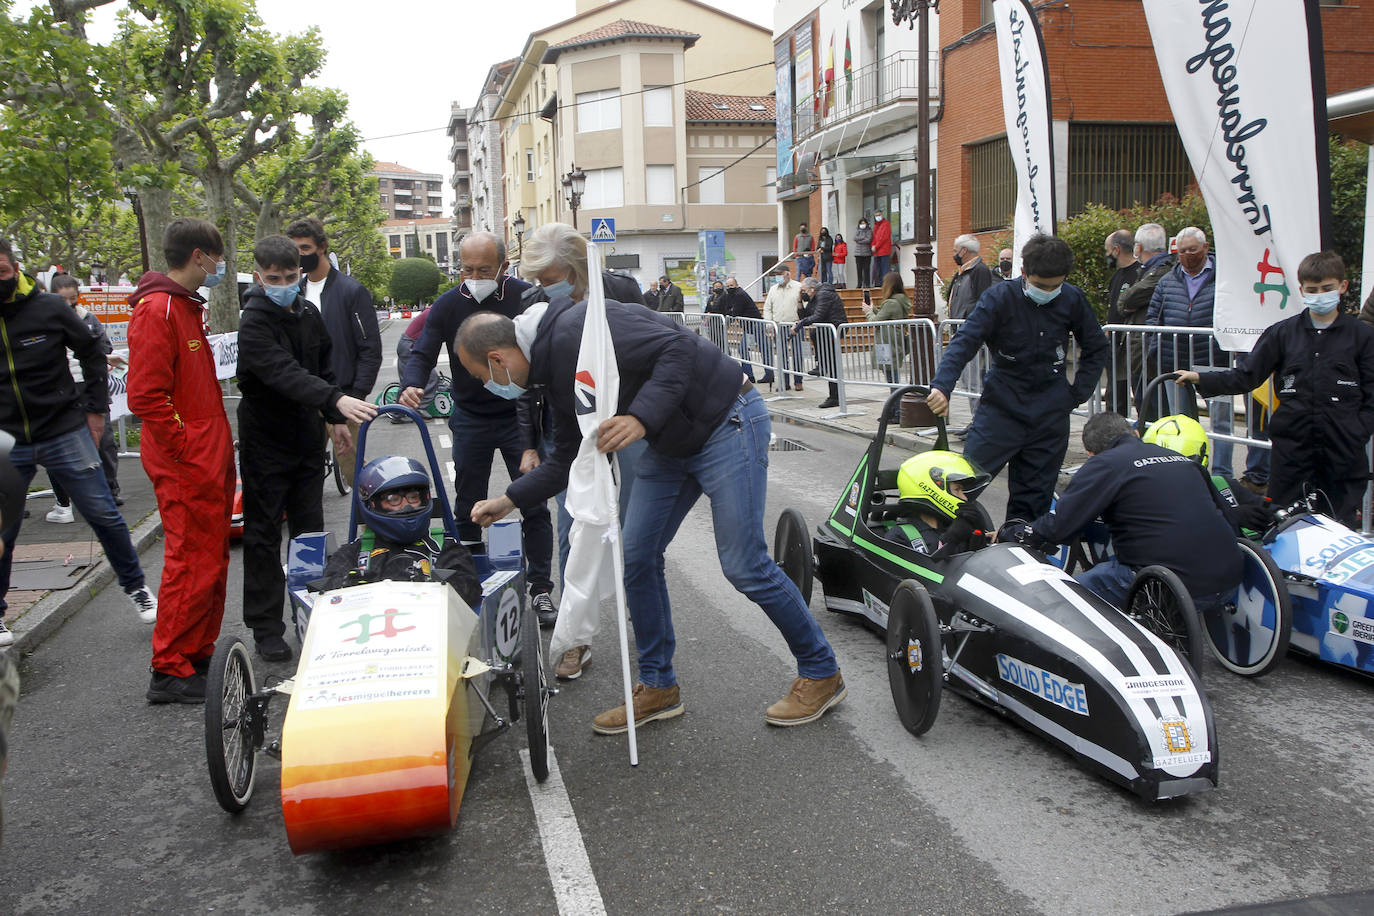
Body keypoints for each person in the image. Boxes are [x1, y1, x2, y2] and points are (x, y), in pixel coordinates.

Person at [464, 222, 844, 734]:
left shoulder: (579, 327)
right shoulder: (549, 368)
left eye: (482, 377)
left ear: (496, 358)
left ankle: (821, 672)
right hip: (672, 440)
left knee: (744, 564)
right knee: (636, 556)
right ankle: (659, 686)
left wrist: (640, 417)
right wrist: (509, 500)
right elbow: (568, 457)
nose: (489, 387)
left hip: (727, 420)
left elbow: (679, 349)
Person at [0, 238, 157, 650]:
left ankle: (137, 587)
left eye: (2, 271)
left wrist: (94, 410)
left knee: (104, 514)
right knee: (4, 527)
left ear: (15, 267)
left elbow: (92, 349)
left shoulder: (49, 307)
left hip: (64, 429)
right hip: (6, 438)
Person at [398, 231, 557, 626]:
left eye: (484, 270)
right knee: (468, 500)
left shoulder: (526, 296)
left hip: (523, 414)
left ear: (503, 267)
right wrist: (412, 382)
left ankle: (539, 588)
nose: (474, 276)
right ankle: (467, 580)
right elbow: (423, 348)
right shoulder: (449, 304)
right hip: (471, 416)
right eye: (466, 269)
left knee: (533, 500)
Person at [237, 235, 376, 662]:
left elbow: (323, 368)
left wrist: (334, 422)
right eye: (274, 278)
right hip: (265, 438)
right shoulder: (254, 321)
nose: (284, 284)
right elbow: (284, 372)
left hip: (304, 436)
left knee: (309, 530)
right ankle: (266, 627)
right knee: (262, 535)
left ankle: (313, 610)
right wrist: (334, 401)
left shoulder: (308, 312)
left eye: (291, 276)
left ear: (301, 273)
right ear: (259, 277)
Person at [1175, 251, 1374, 527]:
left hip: (1342, 453)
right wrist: (1201, 378)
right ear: (1301, 289)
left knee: (1340, 526)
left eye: (1327, 288)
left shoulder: (1362, 336)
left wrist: (1358, 429)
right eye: (1312, 290)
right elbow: (1246, 376)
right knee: (1284, 524)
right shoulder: (1282, 333)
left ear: (1342, 287)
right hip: (1292, 452)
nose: (1320, 295)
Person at [126, 218, 237, 703]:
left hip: (201, 454)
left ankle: (194, 651)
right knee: (190, 561)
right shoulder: (159, 310)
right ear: (199, 257)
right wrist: (186, 446)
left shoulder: (184, 307)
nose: (219, 266)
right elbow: (146, 396)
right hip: (187, 460)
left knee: (209, 560)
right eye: (216, 257)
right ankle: (170, 666)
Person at [925, 234, 1108, 524]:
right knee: (960, 487)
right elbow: (965, 342)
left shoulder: (1072, 299)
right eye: (1039, 285)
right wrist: (942, 386)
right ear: (1023, 273)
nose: (1047, 292)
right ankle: (941, 545)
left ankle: (1022, 548)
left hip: (1049, 414)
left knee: (1034, 500)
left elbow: (1097, 347)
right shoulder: (999, 298)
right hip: (1001, 410)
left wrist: (1075, 394)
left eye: (1054, 286)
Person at [1006, 412, 1242, 611]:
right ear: (1135, 434)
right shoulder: (1180, 459)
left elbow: (1058, 527)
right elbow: (1229, 515)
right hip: (1230, 580)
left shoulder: (1103, 464)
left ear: (1090, 453)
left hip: (1167, 586)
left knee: (1065, 599)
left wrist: (1018, 533)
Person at [316, 456, 482, 607]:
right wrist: (356, 585)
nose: (406, 506)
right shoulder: (352, 553)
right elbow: (327, 593)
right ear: (372, 504)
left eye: (413, 497)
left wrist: (421, 583)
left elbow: (469, 589)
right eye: (393, 500)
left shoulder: (446, 549)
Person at [286, 218, 381, 480]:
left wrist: (356, 395)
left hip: (344, 398)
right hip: (304, 400)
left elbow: (370, 349)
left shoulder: (352, 291)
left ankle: (368, 522)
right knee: (303, 476)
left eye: (305, 248)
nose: (300, 255)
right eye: (294, 250)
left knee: (358, 477)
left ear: (323, 247)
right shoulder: (294, 292)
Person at [1145, 227, 1236, 477]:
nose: (1187, 255)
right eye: (1182, 251)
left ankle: (1222, 474)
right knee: (1181, 422)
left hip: (1215, 362)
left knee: (1221, 423)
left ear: (1205, 248)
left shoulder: (1226, 277)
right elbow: (1153, 317)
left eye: (1192, 250)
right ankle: (1187, 472)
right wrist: (1156, 348)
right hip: (1175, 361)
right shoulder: (1167, 280)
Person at [47, 274, 123, 517]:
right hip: (61, 390)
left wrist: (103, 355)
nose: (68, 304)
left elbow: (102, 348)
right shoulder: (45, 320)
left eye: (72, 298)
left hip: (89, 387)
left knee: (103, 442)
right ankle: (67, 500)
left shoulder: (88, 318)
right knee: (62, 444)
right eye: (62, 299)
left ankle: (108, 491)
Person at [1142, 414, 1275, 535]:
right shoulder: (1139, 501)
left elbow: (1269, 509)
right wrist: (1230, 517)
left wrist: (1277, 514)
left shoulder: (1222, 486)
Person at [882, 451, 990, 557]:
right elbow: (926, 570)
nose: (964, 498)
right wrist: (951, 539)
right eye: (957, 489)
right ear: (931, 488)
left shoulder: (956, 527)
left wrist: (978, 532)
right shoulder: (899, 536)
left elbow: (981, 565)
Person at [1116, 223, 1172, 420]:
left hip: (1148, 352)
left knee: (1152, 410)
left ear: (1138, 247)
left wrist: (1128, 303)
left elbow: (1127, 299)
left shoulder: (1161, 272)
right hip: (1141, 352)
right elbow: (1124, 303)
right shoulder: (1147, 271)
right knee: (1145, 405)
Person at [1103, 229, 1142, 414]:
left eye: (1107, 250)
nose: (1107, 256)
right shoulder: (1116, 277)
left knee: (1139, 391)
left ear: (1116, 250)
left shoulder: (1139, 273)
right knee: (1115, 396)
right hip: (1114, 345)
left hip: (1131, 345)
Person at [794, 277, 847, 409]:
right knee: (831, 364)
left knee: (833, 365)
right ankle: (833, 394)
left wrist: (799, 325)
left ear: (812, 288)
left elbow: (818, 316)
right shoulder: (816, 296)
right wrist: (799, 301)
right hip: (827, 331)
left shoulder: (824, 294)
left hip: (834, 329)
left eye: (803, 290)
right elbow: (805, 315)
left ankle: (835, 396)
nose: (803, 293)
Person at [862, 271, 911, 384]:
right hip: (894, 341)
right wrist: (873, 309)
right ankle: (895, 400)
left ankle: (895, 401)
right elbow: (885, 316)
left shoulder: (891, 303)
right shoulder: (900, 300)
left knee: (891, 376)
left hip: (888, 343)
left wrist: (868, 312)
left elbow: (874, 321)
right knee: (891, 374)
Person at [763, 263, 805, 392]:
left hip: (795, 325)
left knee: (797, 354)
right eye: (776, 275)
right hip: (779, 326)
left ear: (788, 274)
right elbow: (767, 308)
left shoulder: (798, 287)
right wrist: (769, 323)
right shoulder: (773, 289)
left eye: (780, 274)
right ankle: (784, 382)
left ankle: (798, 381)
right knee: (782, 355)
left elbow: (805, 306)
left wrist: (801, 321)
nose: (778, 277)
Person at [723, 276, 772, 386]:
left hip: (756, 324)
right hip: (748, 326)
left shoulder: (740, 294)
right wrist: (730, 311)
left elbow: (735, 312)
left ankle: (769, 374)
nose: (729, 288)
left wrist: (731, 311)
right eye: (727, 286)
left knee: (763, 349)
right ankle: (749, 375)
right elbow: (727, 310)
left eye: (731, 285)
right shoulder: (730, 296)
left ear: (736, 285)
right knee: (743, 349)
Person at [946, 234, 993, 321]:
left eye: (955, 251)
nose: (954, 255)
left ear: (964, 251)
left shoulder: (980, 270)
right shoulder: (960, 273)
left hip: (970, 328)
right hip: (959, 327)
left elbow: (983, 301)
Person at [870, 210, 893, 282]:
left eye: (879, 215)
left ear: (882, 215)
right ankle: (879, 283)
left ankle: (886, 283)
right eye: (876, 215)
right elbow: (874, 237)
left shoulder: (886, 224)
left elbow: (883, 238)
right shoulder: (876, 225)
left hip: (884, 250)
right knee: (878, 269)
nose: (878, 217)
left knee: (885, 269)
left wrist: (875, 246)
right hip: (877, 251)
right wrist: (873, 246)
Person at [852, 217, 873, 288]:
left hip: (867, 253)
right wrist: (863, 237)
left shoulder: (869, 231)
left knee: (866, 269)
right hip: (858, 254)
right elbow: (854, 238)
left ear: (866, 224)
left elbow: (868, 240)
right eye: (861, 223)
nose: (862, 224)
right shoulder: (857, 230)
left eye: (864, 223)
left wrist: (859, 240)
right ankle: (859, 283)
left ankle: (867, 284)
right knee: (859, 269)